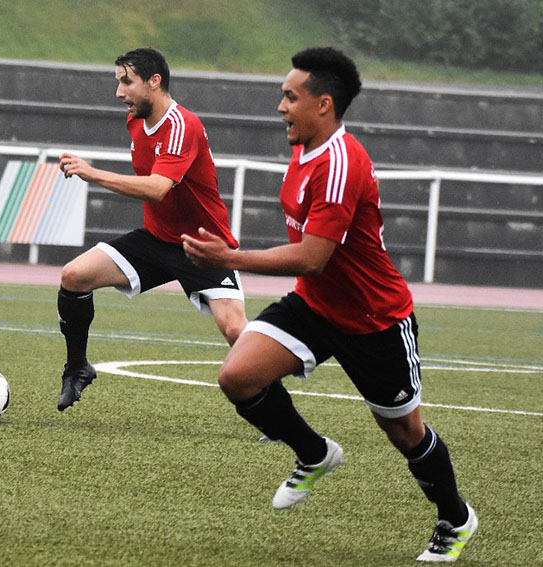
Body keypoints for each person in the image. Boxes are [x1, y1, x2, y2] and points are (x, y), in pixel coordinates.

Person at [182, 47, 476, 563]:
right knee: (238, 376)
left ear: (323, 104)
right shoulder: (303, 147)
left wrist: (231, 257)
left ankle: (455, 517)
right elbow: (313, 268)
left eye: (290, 97)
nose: (280, 106)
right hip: (315, 307)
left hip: (374, 319)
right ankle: (314, 453)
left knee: (406, 432)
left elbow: (314, 257)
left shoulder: (340, 163)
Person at [55, 47, 247, 411]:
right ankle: (77, 368)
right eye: (117, 82)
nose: (119, 92)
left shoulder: (181, 125)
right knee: (74, 275)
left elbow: (158, 188)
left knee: (236, 331)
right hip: (156, 239)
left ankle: (271, 403)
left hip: (202, 246)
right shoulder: (135, 120)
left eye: (126, 82)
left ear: (154, 82)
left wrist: (91, 172)